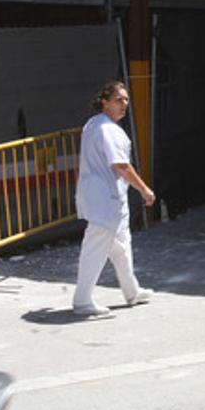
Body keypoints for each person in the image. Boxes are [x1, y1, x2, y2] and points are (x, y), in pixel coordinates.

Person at [71, 80, 156, 317]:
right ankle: (82, 300)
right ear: (104, 102)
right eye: (118, 100)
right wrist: (144, 189)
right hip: (105, 200)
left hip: (106, 197)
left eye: (126, 100)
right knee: (95, 248)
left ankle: (132, 291)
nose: (124, 104)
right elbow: (121, 165)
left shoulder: (94, 124)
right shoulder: (108, 130)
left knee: (120, 247)